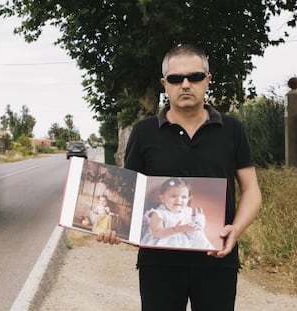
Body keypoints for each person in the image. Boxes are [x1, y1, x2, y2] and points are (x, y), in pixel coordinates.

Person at [96, 44, 262, 311]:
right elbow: (128, 196)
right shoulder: (144, 132)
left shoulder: (232, 130)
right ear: (165, 84)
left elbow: (252, 190)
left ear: (207, 80)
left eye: (194, 77)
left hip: (217, 260)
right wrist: (114, 227)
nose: (185, 84)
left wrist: (236, 230)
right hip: (158, 264)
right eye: (175, 79)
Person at [140, 177, 214, 250]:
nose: (179, 200)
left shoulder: (187, 211)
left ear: (189, 199)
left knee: (199, 235)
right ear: (161, 198)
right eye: (173, 196)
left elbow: (192, 226)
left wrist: (197, 223)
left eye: (184, 197)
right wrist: (176, 229)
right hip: (164, 240)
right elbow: (157, 233)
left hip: (183, 240)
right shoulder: (158, 214)